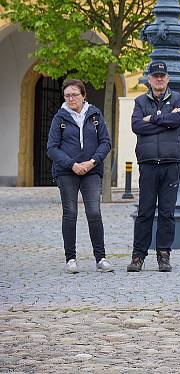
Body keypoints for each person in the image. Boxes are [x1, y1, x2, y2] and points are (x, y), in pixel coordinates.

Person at [46, 79, 113, 274]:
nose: (71, 98)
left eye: (75, 94)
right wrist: (72, 164)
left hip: (91, 170)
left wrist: (92, 162)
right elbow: (51, 148)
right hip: (67, 171)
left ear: (84, 95)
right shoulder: (60, 118)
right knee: (70, 213)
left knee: (94, 212)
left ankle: (100, 258)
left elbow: (105, 142)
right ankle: (71, 259)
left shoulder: (95, 115)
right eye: (67, 95)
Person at [127, 61, 180, 273]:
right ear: (149, 80)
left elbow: (177, 120)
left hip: (171, 162)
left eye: (162, 76)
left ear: (167, 79)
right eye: (155, 76)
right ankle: (138, 256)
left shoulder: (178, 98)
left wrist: (153, 119)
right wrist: (164, 122)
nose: (159, 79)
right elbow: (136, 126)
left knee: (167, 212)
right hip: (149, 162)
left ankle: (163, 255)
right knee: (145, 211)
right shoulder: (140, 101)